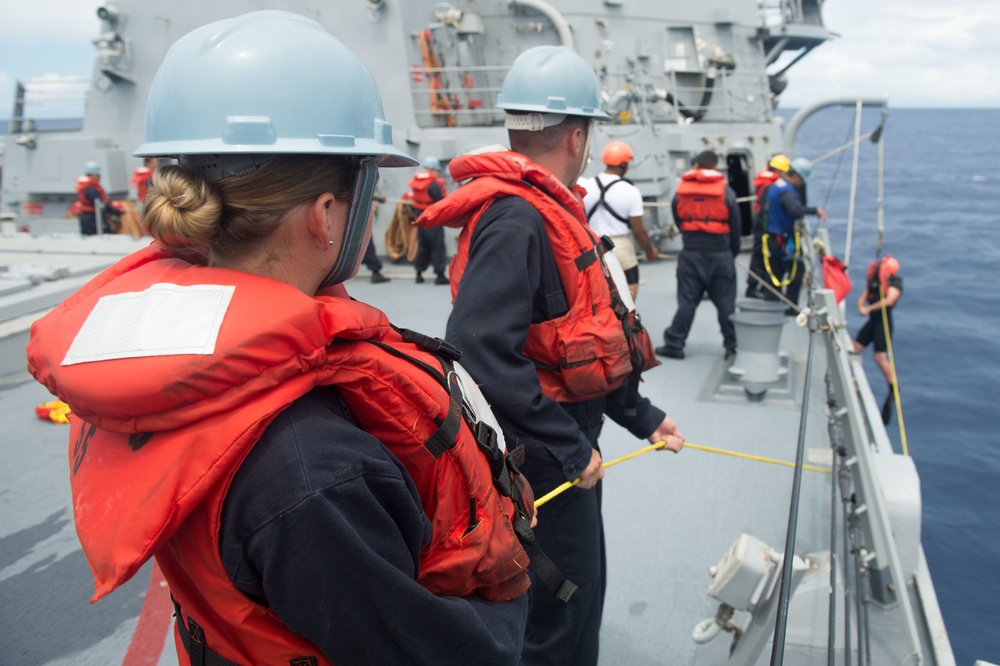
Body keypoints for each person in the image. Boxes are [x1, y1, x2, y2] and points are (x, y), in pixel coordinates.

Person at [26, 12, 534, 665]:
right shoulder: (316, 472)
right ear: (326, 216)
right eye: (365, 190)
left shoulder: (150, 360)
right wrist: (512, 576)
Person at [416, 45, 684, 666]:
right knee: (560, 611)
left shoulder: (548, 209)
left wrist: (642, 417)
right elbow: (480, 351)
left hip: (566, 444)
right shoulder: (517, 219)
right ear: (577, 134)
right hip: (543, 459)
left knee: (578, 596)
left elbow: (583, 334)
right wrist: (568, 449)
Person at [656, 150, 742, 360]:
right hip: (720, 255)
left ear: (696, 166)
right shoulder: (726, 192)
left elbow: (679, 220)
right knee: (725, 304)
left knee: (687, 302)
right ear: (715, 166)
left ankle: (675, 343)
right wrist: (732, 252)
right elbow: (736, 227)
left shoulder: (682, 192)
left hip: (691, 254)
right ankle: (732, 346)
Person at [580, 140, 660, 301]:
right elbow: (639, 231)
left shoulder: (587, 186)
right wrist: (649, 252)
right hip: (622, 249)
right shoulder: (630, 191)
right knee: (628, 299)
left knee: (600, 298)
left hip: (594, 247)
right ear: (623, 165)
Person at [762, 156, 827, 313]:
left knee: (775, 272)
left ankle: (771, 304)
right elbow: (794, 210)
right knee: (796, 271)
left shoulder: (775, 186)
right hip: (783, 240)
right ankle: (791, 307)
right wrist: (814, 210)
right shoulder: (787, 192)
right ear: (796, 175)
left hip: (772, 235)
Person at [854, 254, 903, 424]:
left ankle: (893, 385)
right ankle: (852, 376)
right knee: (856, 346)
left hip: (883, 323)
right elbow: (866, 294)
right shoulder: (875, 282)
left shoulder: (895, 284)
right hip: (873, 321)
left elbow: (889, 300)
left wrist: (868, 309)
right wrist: (861, 306)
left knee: (879, 356)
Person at [746, 154, 789, 298]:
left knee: (762, 252)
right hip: (765, 222)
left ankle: (763, 284)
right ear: (779, 171)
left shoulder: (765, 181)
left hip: (762, 219)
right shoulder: (770, 184)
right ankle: (753, 286)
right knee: (761, 253)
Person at [409, 155, 450, 284]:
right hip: (433, 219)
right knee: (437, 247)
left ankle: (419, 273)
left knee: (423, 246)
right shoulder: (433, 185)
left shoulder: (416, 182)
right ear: (433, 169)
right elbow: (441, 201)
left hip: (420, 218)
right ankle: (440, 275)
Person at [71, 161, 124, 235]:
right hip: (92, 220)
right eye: (98, 174)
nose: (99, 176)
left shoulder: (85, 187)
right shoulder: (90, 190)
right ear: (93, 174)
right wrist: (116, 211)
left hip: (87, 218)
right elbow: (101, 204)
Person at [361, 188, 391, 283]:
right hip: (359, 216)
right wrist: (379, 198)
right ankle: (375, 270)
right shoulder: (358, 177)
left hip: (351, 216)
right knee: (367, 244)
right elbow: (363, 191)